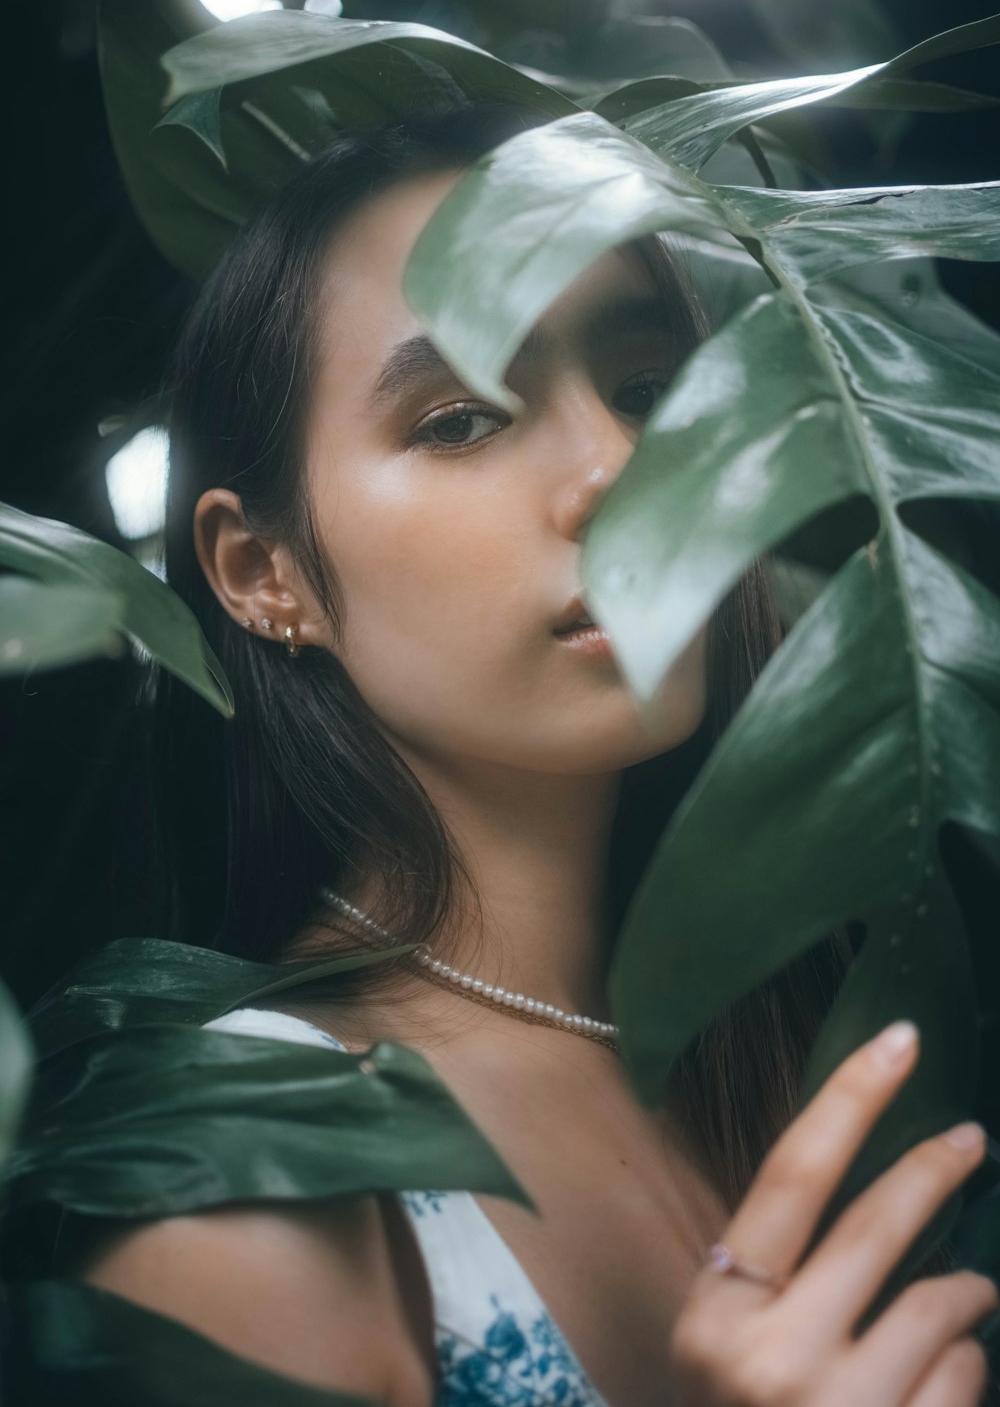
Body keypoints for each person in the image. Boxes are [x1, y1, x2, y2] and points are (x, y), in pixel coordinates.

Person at [74, 103, 995, 1405]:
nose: (618, 468)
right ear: (262, 572)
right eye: (458, 419)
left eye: (650, 390)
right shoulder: (248, 1173)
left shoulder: (800, 1036)